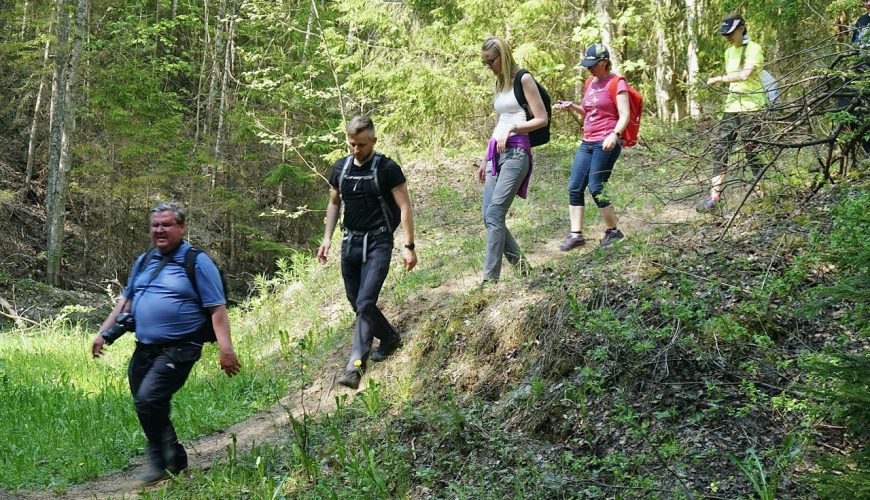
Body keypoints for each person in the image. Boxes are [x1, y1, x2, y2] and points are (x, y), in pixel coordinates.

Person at [91, 202, 241, 484]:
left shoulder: (196, 261)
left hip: (181, 347)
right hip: (145, 347)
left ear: (181, 228)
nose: (160, 230)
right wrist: (103, 333)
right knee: (144, 402)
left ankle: (162, 461)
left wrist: (226, 350)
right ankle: (174, 460)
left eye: (167, 224)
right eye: (155, 225)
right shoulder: (144, 260)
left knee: (149, 398)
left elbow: (217, 309)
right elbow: (126, 301)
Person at [317, 115, 417, 390]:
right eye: (352, 144)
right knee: (356, 300)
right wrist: (327, 239)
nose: (356, 150)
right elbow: (334, 203)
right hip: (350, 243)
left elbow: (405, 206)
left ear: (373, 140)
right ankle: (390, 338)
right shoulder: (341, 168)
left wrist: (409, 246)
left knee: (365, 301)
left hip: (379, 243)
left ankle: (355, 367)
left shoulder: (387, 168)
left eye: (361, 145)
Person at [477, 36, 547, 282]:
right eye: (484, 62)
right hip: (496, 153)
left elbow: (541, 118)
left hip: (517, 153)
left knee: (495, 214)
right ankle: (525, 271)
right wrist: (485, 157)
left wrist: (514, 129)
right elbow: (499, 122)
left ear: (503, 56)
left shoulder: (524, 79)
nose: (489, 67)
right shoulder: (499, 83)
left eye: (491, 61)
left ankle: (489, 281)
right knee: (488, 215)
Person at [554, 43, 628, 250]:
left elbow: (625, 115)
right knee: (575, 186)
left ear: (605, 62)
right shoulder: (590, 83)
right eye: (587, 65)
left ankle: (614, 232)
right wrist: (572, 106)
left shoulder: (617, 83)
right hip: (588, 141)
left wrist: (614, 135)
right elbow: (589, 112)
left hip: (606, 142)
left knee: (596, 186)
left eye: (593, 65)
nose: (590, 69)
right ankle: (576, 234)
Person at [699, 13, 766, 211]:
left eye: (731, 32)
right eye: (724, 33)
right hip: (731, 108)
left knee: (751, 150)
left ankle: (761, 191)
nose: (727, 36)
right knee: (720, 150)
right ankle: (714, 198)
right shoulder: (729, 52)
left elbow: (746, 75)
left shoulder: (754, 49)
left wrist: (720, 78)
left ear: (742, 28)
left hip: (752, 108)